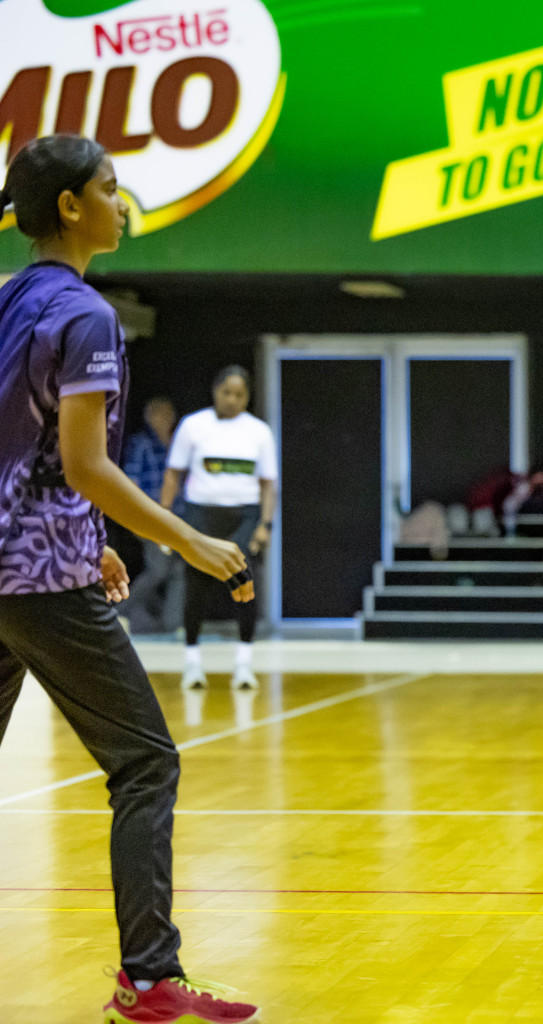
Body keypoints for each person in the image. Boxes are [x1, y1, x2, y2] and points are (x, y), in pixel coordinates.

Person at [0, 135, 257, 1023]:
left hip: (14, 563)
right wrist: (184, 539)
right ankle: (150, 981)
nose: (121, 201)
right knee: (146, 763)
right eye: (109, 188)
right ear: (71, 207)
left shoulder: (8, 302)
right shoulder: (83, 313)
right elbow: (80, 463)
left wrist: (90, 535)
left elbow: (25, 453)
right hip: (39, 583)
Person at [160, 366, 275, 690]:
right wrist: (164, 519)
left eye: (240, 395)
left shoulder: (259, 432)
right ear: (216, 392)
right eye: (228, 393)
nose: (233, 400)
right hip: (201, 516)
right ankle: (193, 664)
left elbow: (268, 484)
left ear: (247, 397)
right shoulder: (194, 426)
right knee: (194, 587)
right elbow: (173, 474)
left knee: (245, 585)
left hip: (244, 517)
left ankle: (244, 664)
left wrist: (265, 524)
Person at [117, 397, 183, 633]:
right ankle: (118, 613)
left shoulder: (178, 443)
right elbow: (130, 482)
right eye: (157, 415)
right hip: (150, 517)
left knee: (178, 570)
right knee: (159, 569)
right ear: (148, 418)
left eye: (167, 415)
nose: (163, 420)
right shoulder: (141, 443)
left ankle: (172, 624)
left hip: (178, 517)